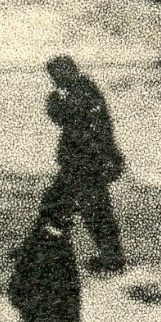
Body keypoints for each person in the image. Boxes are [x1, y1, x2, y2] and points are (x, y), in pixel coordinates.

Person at [43, 55, 126, 273]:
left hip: (87, 163)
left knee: (94, 211)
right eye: (53, 76)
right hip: (78, 162)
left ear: (68, 71)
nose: (54, 80)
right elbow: (63, 118)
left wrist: (55, 101)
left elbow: (70, 118)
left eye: (57, 75)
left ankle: (112, 257)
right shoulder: (78, 90)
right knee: (58, 205)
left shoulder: (83, 91)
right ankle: (44, 252)